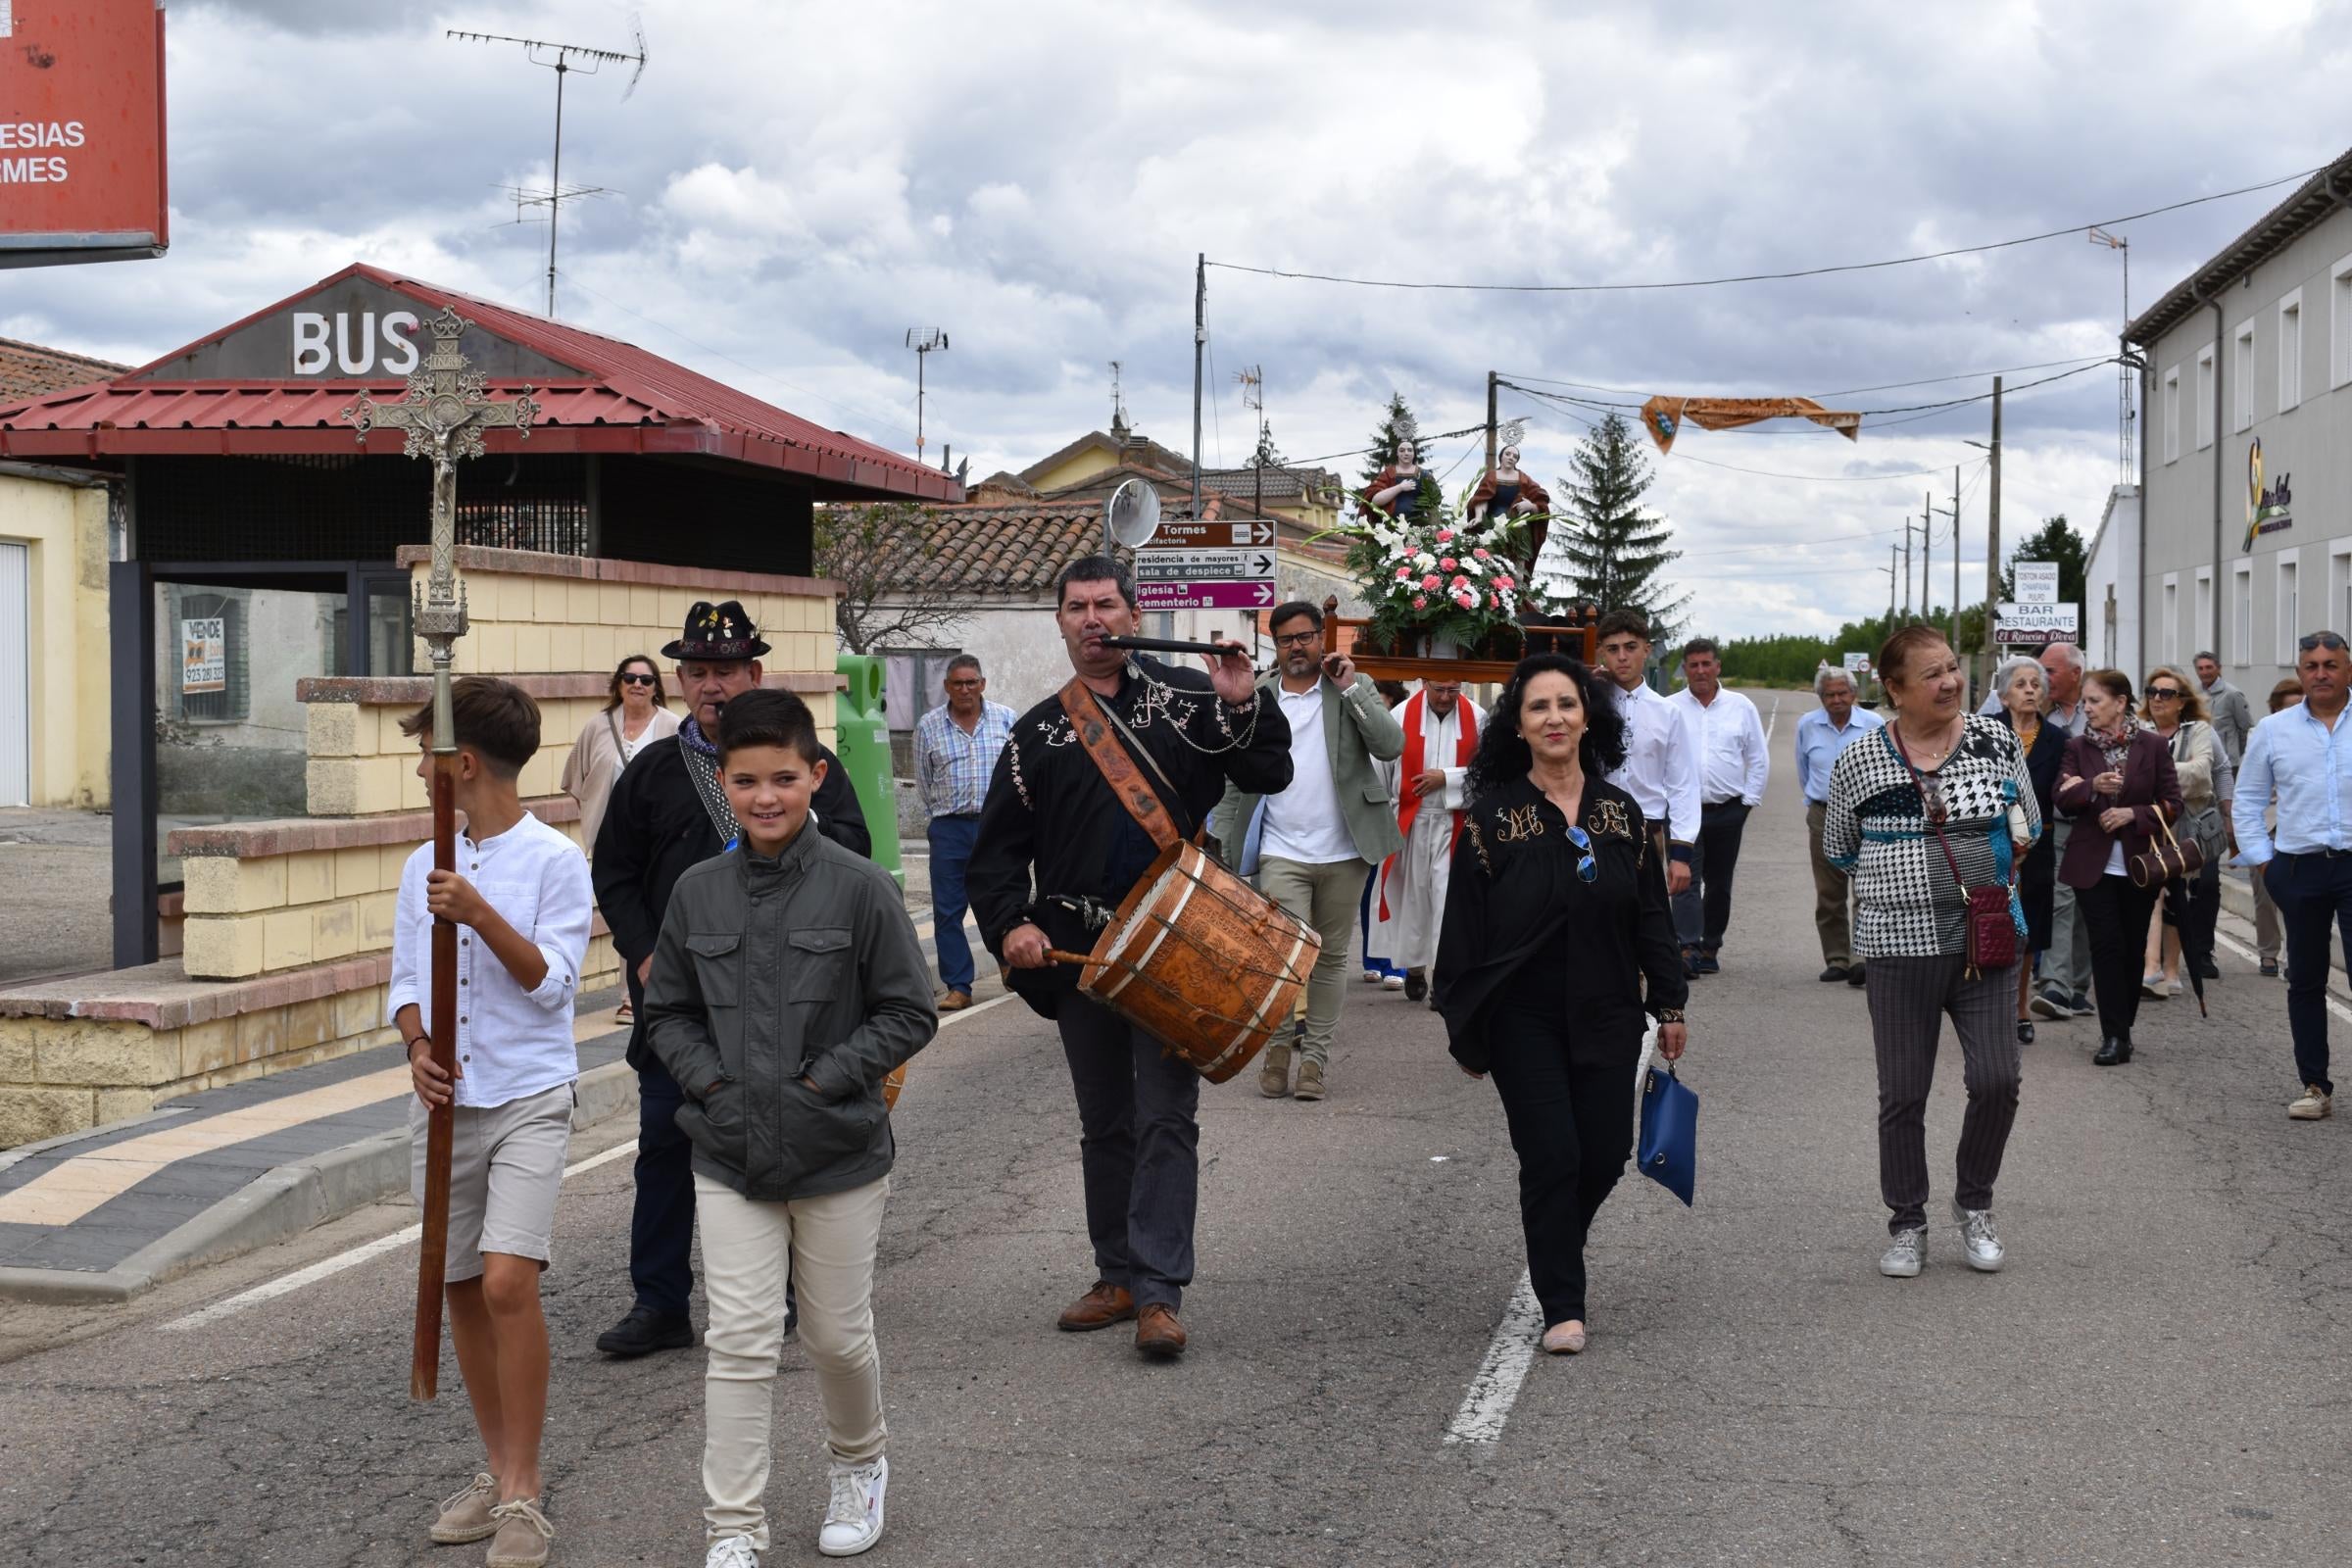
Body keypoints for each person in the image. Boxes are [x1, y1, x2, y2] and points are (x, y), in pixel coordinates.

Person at [969, 556, 1290, 1358]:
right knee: (1104, 1120)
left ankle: (1158, 1292)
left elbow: (1269, 769)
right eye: (1076, 607)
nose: (1091, 619)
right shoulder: (1035, 731)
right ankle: (1115, 1274)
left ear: (1132, 612)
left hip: (1177, 942)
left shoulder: (1189, 698)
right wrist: (1010, 923)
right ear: (1061, 622)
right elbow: (998, 851)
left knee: (1166, 1117)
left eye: (1105, 604)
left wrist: (1244, 701)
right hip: (1080, 955)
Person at [641, 690, 933, 1566]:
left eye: (783, 778)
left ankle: (859, 1464)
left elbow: (908, 1010)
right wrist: (715, 1086)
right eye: (745, 780)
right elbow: (667, 1014)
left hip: (838, 1150)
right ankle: (733, 1527)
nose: (765, 796)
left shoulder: (861, 886)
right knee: (737, 1340)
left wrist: (823, 1081)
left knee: (835, 1336)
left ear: (817, 775)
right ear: (722, 782)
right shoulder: (696, 893)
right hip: (728, 1152)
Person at [589, 601, 870, 1360]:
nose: (713, 686)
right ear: (680, 679)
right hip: (678, 1006)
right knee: (664, 1145)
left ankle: (771, 1294)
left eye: (728, 671)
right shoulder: (650, 771)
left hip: (784, 1002)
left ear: (756, 674)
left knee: (774, 1142)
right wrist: (646, 953)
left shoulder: (811, 769)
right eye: (700, 671)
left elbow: (851, 853)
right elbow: (614, 874)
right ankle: (659, 1301)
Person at [392, 677, 593, 1568]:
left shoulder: (555, 860)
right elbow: (404, 981)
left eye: (425, 758)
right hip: (447, 1104)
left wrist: (479, 913)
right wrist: (415, 1046)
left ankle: (525, 1491)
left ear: (462, 764)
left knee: (511, 1280)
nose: (420, 775)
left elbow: (552, 984)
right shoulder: (420, 863)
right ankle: (495, 1465)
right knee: (462, 1284)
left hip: (529, 1095)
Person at [1434, 654, 1688, 1355]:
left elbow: (1651, 918)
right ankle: (1563, 1303)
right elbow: (1463, 932)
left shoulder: (1622, 813)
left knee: (1604, 1155)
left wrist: (1669, 1004)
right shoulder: (1491, 819)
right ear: (1517, 726)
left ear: (1588, 719)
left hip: (1609, 1010)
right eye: (1539, 707)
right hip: (1524, 1019)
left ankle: (1553, 1247)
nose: (1555, 718)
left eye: (1567, 705)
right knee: (1551, 1156)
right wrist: (1467, 1031)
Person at [1823, 626, 2037, 1279]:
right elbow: (1841, 848)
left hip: (1987, 937)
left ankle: (1974, 1206)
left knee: (1998, 1080)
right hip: (1898, 946)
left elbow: (2027, 820)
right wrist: (1911, 881)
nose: (1949, 682)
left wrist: (1978, 876)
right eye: (1932, 674)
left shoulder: (1995, 738)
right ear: (1894, 689)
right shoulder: (1860, 759)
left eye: (1952, 669)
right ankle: (1907, 1222)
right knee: (1904, 1094)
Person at [1214, 601, 1404, 1101]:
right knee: (1282, 958)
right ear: (1274, 646)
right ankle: (1278, 1048)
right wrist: (1227, 843)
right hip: (1280, 848)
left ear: (1322, 638)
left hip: (1345, 849)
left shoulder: (1349, 690)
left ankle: (1315, 1061)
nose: (1296, 647)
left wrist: (1352, 688)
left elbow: (1390, 746)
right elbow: (1236, 779)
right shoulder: (1256, 696)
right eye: (1285, 640)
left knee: (1330, 959)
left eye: (1305, 637)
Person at [2231, 631, 2352, 1120]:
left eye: (2331, 664)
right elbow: (2248, 799)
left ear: (2348, 669)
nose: (2320, 673)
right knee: (2305, 979)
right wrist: (2266, 863)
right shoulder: (2274, 729)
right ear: (2300, 672)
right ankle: (2315, 1087)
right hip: (2298, 868)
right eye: (2311, 665)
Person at [2054, 669, 2183, 1068]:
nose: (2087, 708)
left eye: (2094, 701)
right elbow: (2060, 797)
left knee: (2130, 948)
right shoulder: (2077, 747)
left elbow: (2172, 803)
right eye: (2086, 701)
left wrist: (2133, 813)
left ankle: (2121, 1025)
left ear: (2121, 703)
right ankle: (2114, 1035)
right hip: (2091, 866)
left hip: (2140, 865)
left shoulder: (2153, 746)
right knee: (2105, 946)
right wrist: (2092, 785)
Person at [563, 654, 680, 1022]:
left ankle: (642, 991)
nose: (637, 685)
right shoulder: (598, 727)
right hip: (609, 835)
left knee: (649, 906)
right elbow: (578, 778)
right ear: (618, 684)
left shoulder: (673, 726)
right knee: (622, 906)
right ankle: (631, 992)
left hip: (657, 835)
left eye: (646, 680)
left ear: (657, 687)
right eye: (630, 678)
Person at [1370, 676, 1483, 1006]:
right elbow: (1381, 768)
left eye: (1453, 690)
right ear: (1425, 682)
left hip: (1454, 820)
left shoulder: (1477, 719)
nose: (1446, 697)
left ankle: (1443, 979)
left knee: (1448, 903)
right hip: (1410, 822)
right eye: (1439, 690)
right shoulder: (1400, 715)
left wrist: (1446, 777)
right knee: (1413, 899)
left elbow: (1487, 772)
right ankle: (1415, 968)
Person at [912, 655, 1016, 1012]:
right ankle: (959, 985)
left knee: (1000, 899)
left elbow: (1017, 772)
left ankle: (1008, 964)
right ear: (947, 687)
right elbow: (924, 782)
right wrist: (945, 818)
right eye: (957, 683)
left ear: (982, 684)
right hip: (949, 828)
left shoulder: (1006, 719)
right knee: (947, 910)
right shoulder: (928, 726)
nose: (965, 689)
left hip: (995, 825)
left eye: (971, 682)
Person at [1667, 637, 1769, 973]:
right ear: (1684, 669)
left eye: (1706, 664)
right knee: (1685, 880)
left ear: (1717, 666)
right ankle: (1687, 948)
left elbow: (1757, 757)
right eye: (1693, 665)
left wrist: (1747, 804)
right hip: (1684, 812)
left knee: (1720, 883)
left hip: (1728, 811)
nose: (1700, 671)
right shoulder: (1671, 707)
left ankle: (1711, 947)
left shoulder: (1741, 706)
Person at [1592, 611, 1700, 916]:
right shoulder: (1587, 704)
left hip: (1647, 833)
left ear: (1646, 649)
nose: (1622, 658)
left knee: (1646, 919)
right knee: (1596, 919)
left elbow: (1683, 785)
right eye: (1613, 650)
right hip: (1592, 830)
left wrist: (1680, 855)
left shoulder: (1668, 713)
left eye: (1630, 647)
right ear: (1601, 651)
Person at [2137, 666, 2232, 1000]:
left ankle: (2172, 970)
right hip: (2148, 824)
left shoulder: (2199, 731)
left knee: (2179, 892)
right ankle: (2150, 968)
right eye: (2152, 692)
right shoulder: (2140, 729)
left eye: (2166, 693)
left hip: (2188, 825)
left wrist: (2153, 772)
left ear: (2181, 702)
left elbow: (2202, 774)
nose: (2158, 699)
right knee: (2152, 891)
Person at [1991, 657, 2066, 1044]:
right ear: (2004, 696)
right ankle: (1986, 1004)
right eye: (2020, 684)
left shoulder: (2058, 740)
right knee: (1990, 922)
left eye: (2035, 684)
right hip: (1991, 843)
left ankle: (2020, 1008)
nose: (2030, 690)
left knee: (2028, 930)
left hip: (2038, 843)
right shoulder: (1985, 734)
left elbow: (2063, 791)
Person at [1795, 666, 1883, 986]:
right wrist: (1818, 803)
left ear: (1854, 694)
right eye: (1829, 695)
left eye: (1842, 693)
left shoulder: (1874, 725)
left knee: (1867, 888)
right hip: (1823, 814)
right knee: (1829, 893)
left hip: (1866, 815)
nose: (1836, 700)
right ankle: (1836, 959)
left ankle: (1862, 958)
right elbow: (1804, 772)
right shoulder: (1807, 725)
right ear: (1821, 697)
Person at [2029, 643, 2096, 1024]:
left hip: (2097, 825)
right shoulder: (2036, 714)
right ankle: (2053, 983)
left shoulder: (2099, 707)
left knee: (2088, 906)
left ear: (2075, 673)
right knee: (2060, 900)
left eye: (2050, 672)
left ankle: (2076, 989)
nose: (2042, 679)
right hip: (2053, 823)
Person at [2248, 677, 2305, 977]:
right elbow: (2249, 790)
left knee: (2300, 900)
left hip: (2300, 828)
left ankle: (2294, 958)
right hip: (2267, 825)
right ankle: (2268, 952)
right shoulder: (2263, 733)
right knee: (2265, 896)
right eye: (2291, 706)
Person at [1360, 679, 1413, 991]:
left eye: (1383, 703)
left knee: (1398, 892)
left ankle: (1398, 963)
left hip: (1396, 817)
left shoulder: (1399, 729)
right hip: (1367, 818)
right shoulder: (1360, 726)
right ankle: (1372, 960)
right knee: (1370, 893)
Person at [2196, 650, 2255, 765]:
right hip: (2202, 761)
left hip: (2227, 763)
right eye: (2200, 668)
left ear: (2218, 668)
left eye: (2209, 667)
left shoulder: (2233, 694)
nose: (2205, 672)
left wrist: (2234, 752)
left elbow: (2247, 729)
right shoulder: (2194, 694)